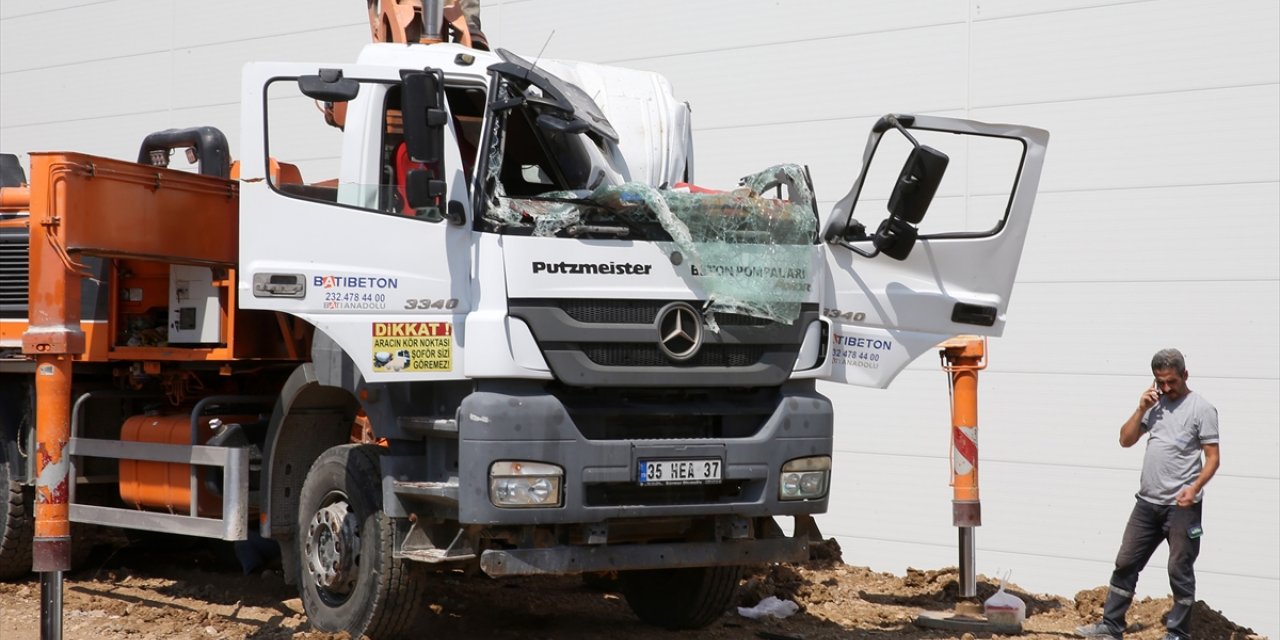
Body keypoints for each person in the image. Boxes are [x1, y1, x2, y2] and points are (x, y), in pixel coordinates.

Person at [1076, 348, 1220, 640]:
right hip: (1147, 504)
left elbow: (1213, 457)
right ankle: (1111, 625)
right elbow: (1125, 440)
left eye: (1171, 382)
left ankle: (1178, 633)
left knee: (1179, 568)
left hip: (1182, 507)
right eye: (1160, 382)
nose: (1166, 388)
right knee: (1126, 562)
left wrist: (1194, 488)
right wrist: (1140, 408)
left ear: (1184, 376)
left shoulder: (1202, 409)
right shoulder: (1155, 407)